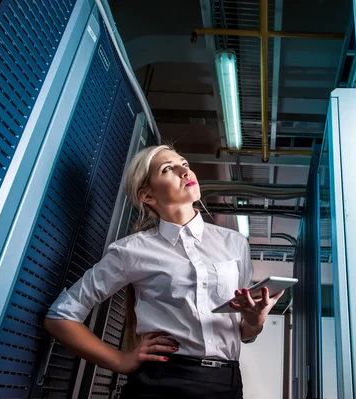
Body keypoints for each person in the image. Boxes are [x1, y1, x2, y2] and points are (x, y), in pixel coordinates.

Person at [44, 144, 283, 398]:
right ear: (148, 196)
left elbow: (242, 331)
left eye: (185, 164)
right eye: (169, 169)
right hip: (162, 382)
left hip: (227, 384)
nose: (184, 171)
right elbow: (60, 317)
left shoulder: (235, 243)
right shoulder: (132, 251)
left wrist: (255, 322)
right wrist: (120, 361)